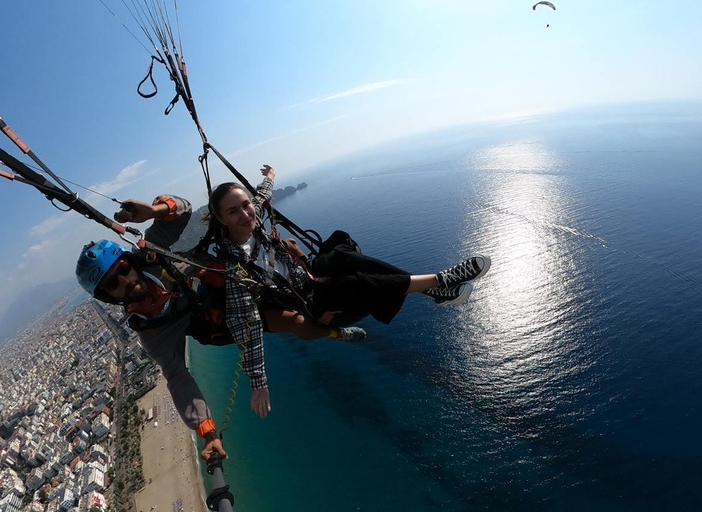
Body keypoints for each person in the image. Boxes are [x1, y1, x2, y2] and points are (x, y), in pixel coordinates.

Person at [75, 191, 368, 459]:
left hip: (230, 279)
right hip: (223, 320)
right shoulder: (153, 329)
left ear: (129, 262)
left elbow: (183, 211)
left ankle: (316, 278)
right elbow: (178, 377)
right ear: (107, 296)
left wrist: (153, 210)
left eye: (123, 269)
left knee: (287, 247)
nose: (125, 279)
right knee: (298, 323)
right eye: (113, 282)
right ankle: (336, 332)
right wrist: (207, 433)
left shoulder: (151, 257)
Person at [207, 165, 491, 420]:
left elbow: (259, 198)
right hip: (309, 300)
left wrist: (269, 178)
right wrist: (258, 384)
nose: (245, 213)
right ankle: (441, 281)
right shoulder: (234, 270)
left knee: (345, 255)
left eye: (245, 206)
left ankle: (433, 291)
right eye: (234, 211)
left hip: (308, 273)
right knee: (356, 283)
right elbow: (248, 325)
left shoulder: (251, 221)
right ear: (222, 220)